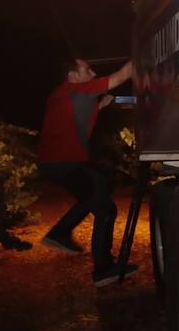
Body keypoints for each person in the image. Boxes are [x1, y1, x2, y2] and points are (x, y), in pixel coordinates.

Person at [37, 56, 137, 287]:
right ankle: (102, 269)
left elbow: (77, 116)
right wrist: (142, 52)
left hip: (55, 164)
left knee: (99, 188)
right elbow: (122, 75)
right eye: (87, 70)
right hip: (66, 163)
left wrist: (101, 105)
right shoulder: (79, 90)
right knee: (105, 209)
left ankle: (60, 233)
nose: (92, 74)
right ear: (73, 77)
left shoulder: (62, 95)